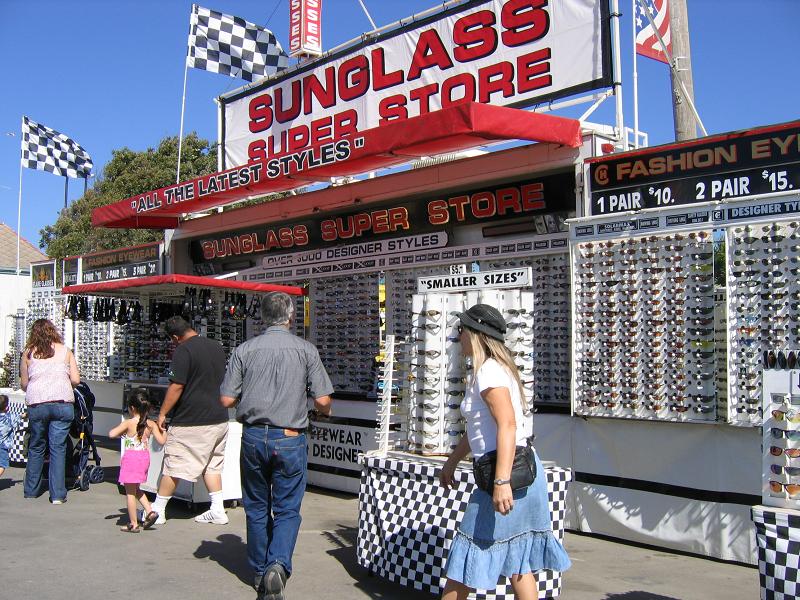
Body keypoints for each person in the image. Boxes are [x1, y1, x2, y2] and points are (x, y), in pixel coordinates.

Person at [438, 304, 571, 599]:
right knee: (518, 561)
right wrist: (452, 462)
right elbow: (479, 430)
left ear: (475, 333)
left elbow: (507, 425)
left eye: (461, 330)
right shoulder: (492, 370)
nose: (457, 337)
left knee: (465, 561)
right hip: (519, 473)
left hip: (505, 475)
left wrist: (501, 481)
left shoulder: (489, 372)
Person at [220, 292, 333, 600]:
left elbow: (226, 399)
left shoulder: (245, 350)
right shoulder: (306, 350)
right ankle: (278, 565)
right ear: (291, 316)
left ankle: (260, 572)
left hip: (254, 435)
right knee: (287, 508)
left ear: (262, 317)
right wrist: (323, 409)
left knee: (256, 507)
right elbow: (323, 400)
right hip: (290, 437)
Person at [150, 315, 229, 525]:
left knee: (174, 465)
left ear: (175, 337)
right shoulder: (216, 346)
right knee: (212, 465)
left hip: (191, 419)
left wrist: (162, 413)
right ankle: (217, 509)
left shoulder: (183, 350)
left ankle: (157, 511)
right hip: (219, 418)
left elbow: (177, 385)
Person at [20, 318, 81, 503]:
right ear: (53, 331)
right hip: (62, 403)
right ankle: (57, 495)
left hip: (37, 404)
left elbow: (24, 384)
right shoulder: (65, 351)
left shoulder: (28, 353)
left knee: (36, 445)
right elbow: (76, 380)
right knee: (58, 448)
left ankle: (31, 490)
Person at [109, 388, 166, 532]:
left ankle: (133, 524)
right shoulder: (151, 424)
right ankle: (150, 512)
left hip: (131, 459)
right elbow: (161, 441)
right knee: (136, 488)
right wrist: (164, 430)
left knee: (130, 493)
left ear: (132, 408)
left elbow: (111, 434)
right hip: (144, 459)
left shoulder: (129, 423)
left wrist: (123, 432)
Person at [0, 394, 24, 481]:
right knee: (2, 465)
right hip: (2, 445)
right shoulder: (10, 417)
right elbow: (21, 416)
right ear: (7, 407)